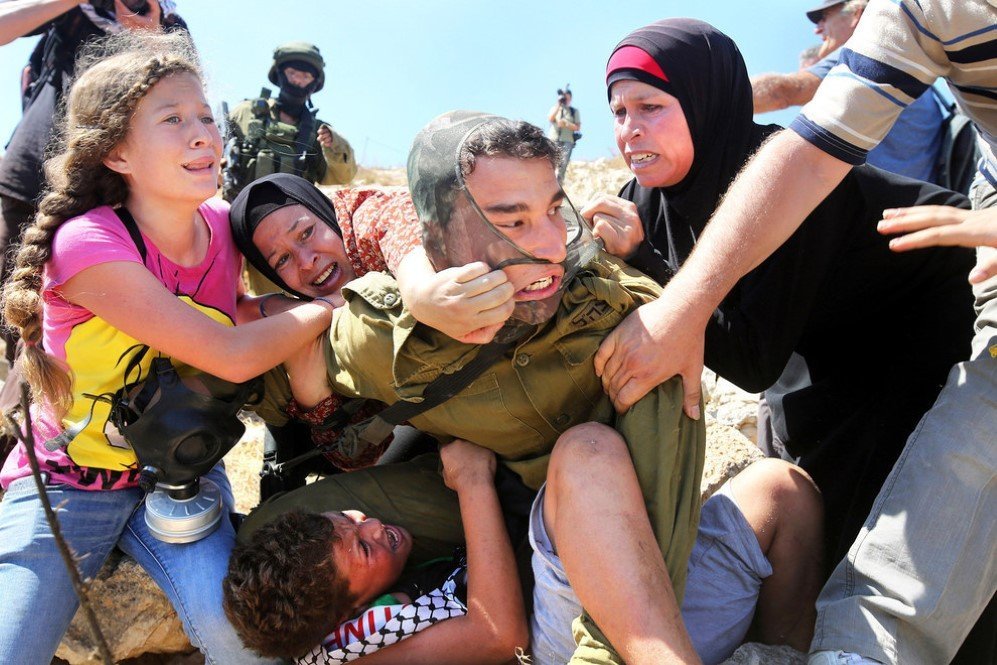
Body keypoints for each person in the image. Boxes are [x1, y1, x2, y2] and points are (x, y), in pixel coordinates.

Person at [240, 111, 824, 664]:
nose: (549, 243)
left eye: (553, 210)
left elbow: (661, 466)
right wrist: (306, 357)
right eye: (513, 221)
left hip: (646, 596)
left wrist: (677, 311)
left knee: (782, 488)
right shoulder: (382, 335)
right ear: (442, 236)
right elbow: (244, 376)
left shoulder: (607, 300)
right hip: (564, 592)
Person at [586, 3, 996, 664]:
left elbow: (747, 353)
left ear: (703, 102)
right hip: (824, 337)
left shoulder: (772, 176)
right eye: (618, 112)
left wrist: (646, 266)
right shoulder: (645, 201)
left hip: (930, 308)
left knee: (920, 516)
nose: (630, 131)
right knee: (814, 495)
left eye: (651, 107)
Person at [0, 31, 336, 664]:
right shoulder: (88, 243)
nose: (204, 133)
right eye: (173, 119)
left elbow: (229, 313)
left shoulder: (219, 230)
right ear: (117, 153)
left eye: (207, 116)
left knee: (246, 642)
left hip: (181, 477)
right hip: (68, 485)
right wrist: (328, 310)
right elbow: (228, 352)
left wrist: (294, 306)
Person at [0, 0, 188, 365]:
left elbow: (188, 93)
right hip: (30, 173)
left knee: (84, 314)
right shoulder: (75, 10)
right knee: (12, 301)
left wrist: (150, 38)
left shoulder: (167, 22)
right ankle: (22, 408)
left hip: (110, 189)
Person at [224, 439, 528, 663]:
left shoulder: (345, 583)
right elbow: (500, 636)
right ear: (349, 613)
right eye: (365, 548)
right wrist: (472, 480)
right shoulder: (353, 654)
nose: (373, 524)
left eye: (346, 517)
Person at [750, 0, 945, 183]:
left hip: (880, 208)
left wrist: (723, 92)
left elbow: (784, 92)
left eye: (824, 17)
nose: (817, 29)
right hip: (916, 203)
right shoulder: (903, 59)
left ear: (856, 14)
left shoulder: (865, 55)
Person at [222, 41, 356, 204]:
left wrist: (335, 145)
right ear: (279, 74)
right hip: (237, 212)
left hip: (293, 220)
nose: (298, 81)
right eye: (292, 73)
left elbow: (343, 176)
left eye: (306, 76)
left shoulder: (319, 132)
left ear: (314, 83)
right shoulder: (244, 112)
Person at [546, 87, 580, 182]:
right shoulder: (555, 108)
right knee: (550, 163)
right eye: (565, 98)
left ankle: (559, 185)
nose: (566, 100)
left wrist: (567, 124)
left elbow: (577, 127)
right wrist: (559, 104)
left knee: (563, 164)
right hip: (553, 139)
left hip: (567, 140)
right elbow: (550, 118)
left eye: (568, 98)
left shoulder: (573, 111)